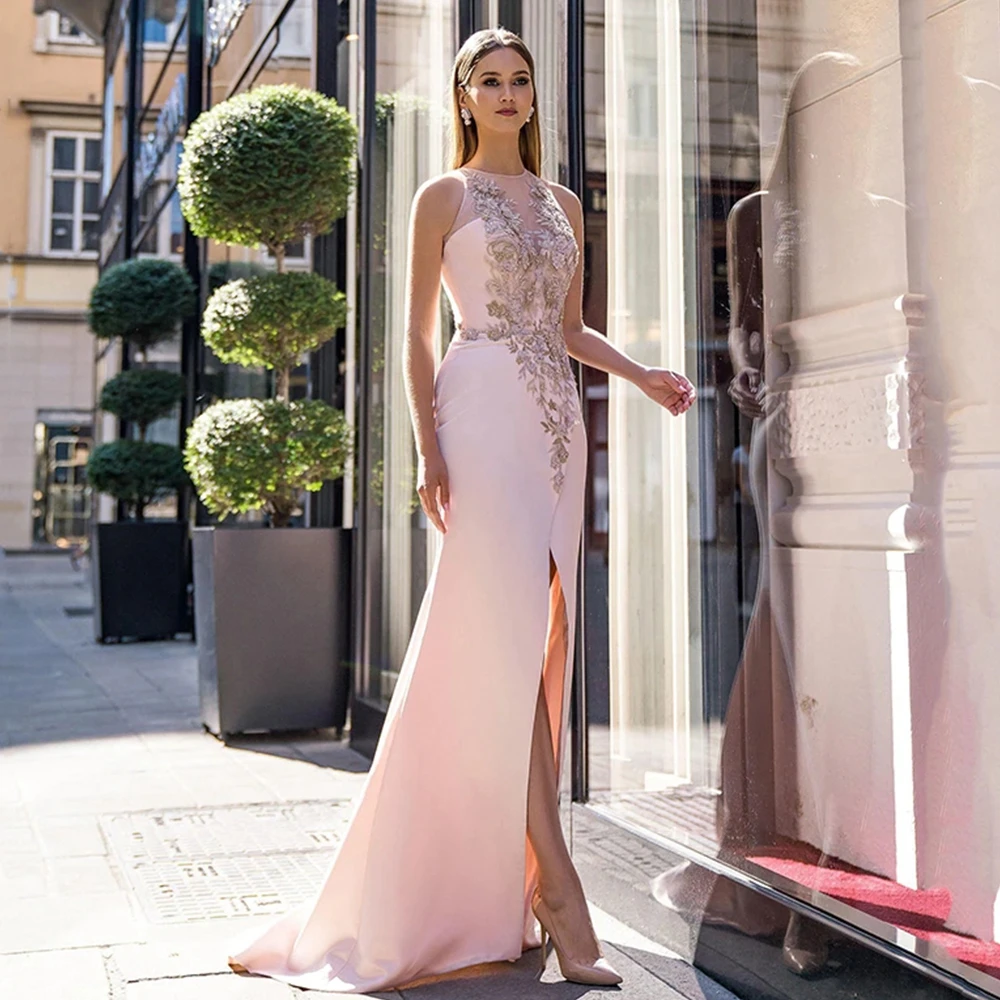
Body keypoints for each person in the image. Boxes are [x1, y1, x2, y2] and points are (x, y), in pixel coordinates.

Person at [225, 27, 695, 993]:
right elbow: (413, 339)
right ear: (464, 94)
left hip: (557, 425)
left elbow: (565, 330)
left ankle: (525, 882)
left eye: (523, 80)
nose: (512, 93)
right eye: (493, 80)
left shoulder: (565, 202)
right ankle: (559, 895)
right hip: (478, 418)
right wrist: (427, 447)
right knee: (504, 635)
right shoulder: (440, 196)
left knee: (534, 639)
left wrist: (641, 373)